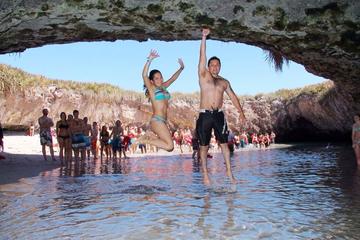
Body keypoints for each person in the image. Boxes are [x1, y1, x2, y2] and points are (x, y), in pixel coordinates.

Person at [196, 28, 246, 185]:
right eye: (212, 65)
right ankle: (205, 174)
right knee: (203, 146)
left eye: (217, 65)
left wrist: (242, 113)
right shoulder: (203, 76)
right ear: (208, 67)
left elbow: (233, 96)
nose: (214, 67)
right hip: (205, 115)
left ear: (220, 67)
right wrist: (204, 37)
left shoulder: (225, 82)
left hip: (219, 115)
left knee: (224, 144)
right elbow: (202, 56)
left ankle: (230, 173)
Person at [137, 49, 184, 151]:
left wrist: (181, 68)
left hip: (163, 121)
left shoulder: (163, 87)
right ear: (152, 81)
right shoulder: (152, 89)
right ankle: (145, 140)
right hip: (157, 120)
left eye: (161, 77)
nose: (160, 80)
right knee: (170, 146)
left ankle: (150, 136)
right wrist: (149, 60)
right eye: (157, 78)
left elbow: (173, 78)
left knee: (169, 147)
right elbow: (144, 75)